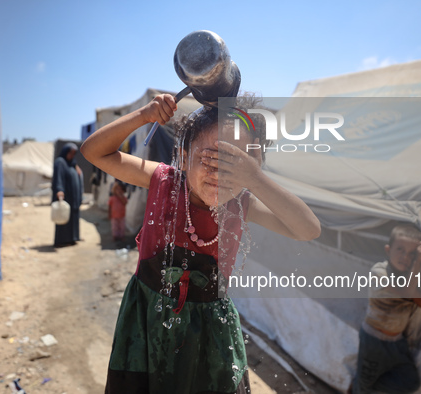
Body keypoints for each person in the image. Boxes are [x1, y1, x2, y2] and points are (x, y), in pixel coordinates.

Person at [81, 93, 321, 394]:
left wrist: (255, 178)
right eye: (209, 159)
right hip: (147, 323)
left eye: (235, 164)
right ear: (183, 156)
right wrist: (143, 115)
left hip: (210, 332)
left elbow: (308, 229)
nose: (219, 175)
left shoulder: (242, 204)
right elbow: (94, 152)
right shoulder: (163, 181)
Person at [352, 224, 421, 394]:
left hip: (397, 341)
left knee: (410, 383)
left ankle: (362, 382)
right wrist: (418, 260)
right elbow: (410, 292)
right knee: (364, 387)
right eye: (400, 249)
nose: (405, 257)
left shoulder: (412, 276)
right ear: (388, 250)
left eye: (412, 253)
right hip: (374, 340)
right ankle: (360, 385)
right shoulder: (379, 272)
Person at [52, 142, 83, 247]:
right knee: (64, 217)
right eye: (71, 153)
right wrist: (60, 190)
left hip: (73, 198)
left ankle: (72, 238)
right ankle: (62, 240)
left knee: (73, 218)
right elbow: (58, 177)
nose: (72, 156)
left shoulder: (72, 164)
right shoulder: (60, 162)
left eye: (74, 154)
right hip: (66, 196)